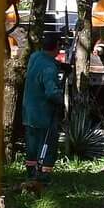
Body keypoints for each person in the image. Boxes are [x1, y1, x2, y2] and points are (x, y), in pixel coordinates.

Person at [23, 29, 66, 190]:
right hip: (44, 115)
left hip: (29, 112)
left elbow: (41, 66)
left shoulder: (35, 57)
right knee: (47, 147)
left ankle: (30, 175)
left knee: (32, 147)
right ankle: (43, 179)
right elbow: (51, 93)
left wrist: (61, 66)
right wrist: (63, 100)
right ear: (57, 46)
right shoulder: (49, 68)